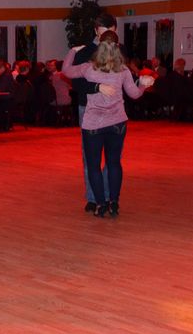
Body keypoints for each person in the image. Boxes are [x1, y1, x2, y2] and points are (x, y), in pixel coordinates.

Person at [62, 30, 151, 218]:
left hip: (93, 124)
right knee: (114, 163)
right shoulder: (123, 70)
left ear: (99, 46)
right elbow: (134, 94)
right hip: (117, 123)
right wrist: (143, 84)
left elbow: (66, 70)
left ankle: (100, 205)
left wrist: (73, 50)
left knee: (94, 166)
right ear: (117, 47)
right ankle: (114, 203)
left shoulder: (88, 68)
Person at [70, 12, 117, 213]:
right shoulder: (84, 52)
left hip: (113, 110)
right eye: (104, 32)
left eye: (111, 32)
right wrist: (97, 88)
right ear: (96, 31)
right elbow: (76, 84)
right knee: (89, 155)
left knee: (112, 157)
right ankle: (93, 197)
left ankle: (105, 194)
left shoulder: (118, 51)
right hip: (88, 108)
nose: (107, 37)